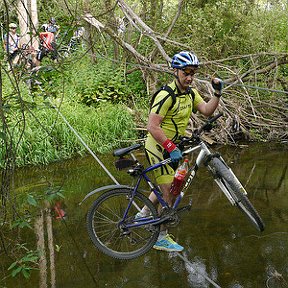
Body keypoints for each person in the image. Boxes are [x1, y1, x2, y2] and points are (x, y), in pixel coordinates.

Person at [141, 51, 223, 252]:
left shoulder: (190, 93)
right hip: (158, 146)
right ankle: (160, 236)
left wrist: (217, 93)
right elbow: (152, 126)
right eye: (186, 72)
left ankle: (143, 213)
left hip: (174, 146)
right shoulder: (166, 95)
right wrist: (170, 146)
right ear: (175, 72)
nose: (189, 77)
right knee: (169, 191)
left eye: (192, 73)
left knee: (173, 184)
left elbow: (206, 110)